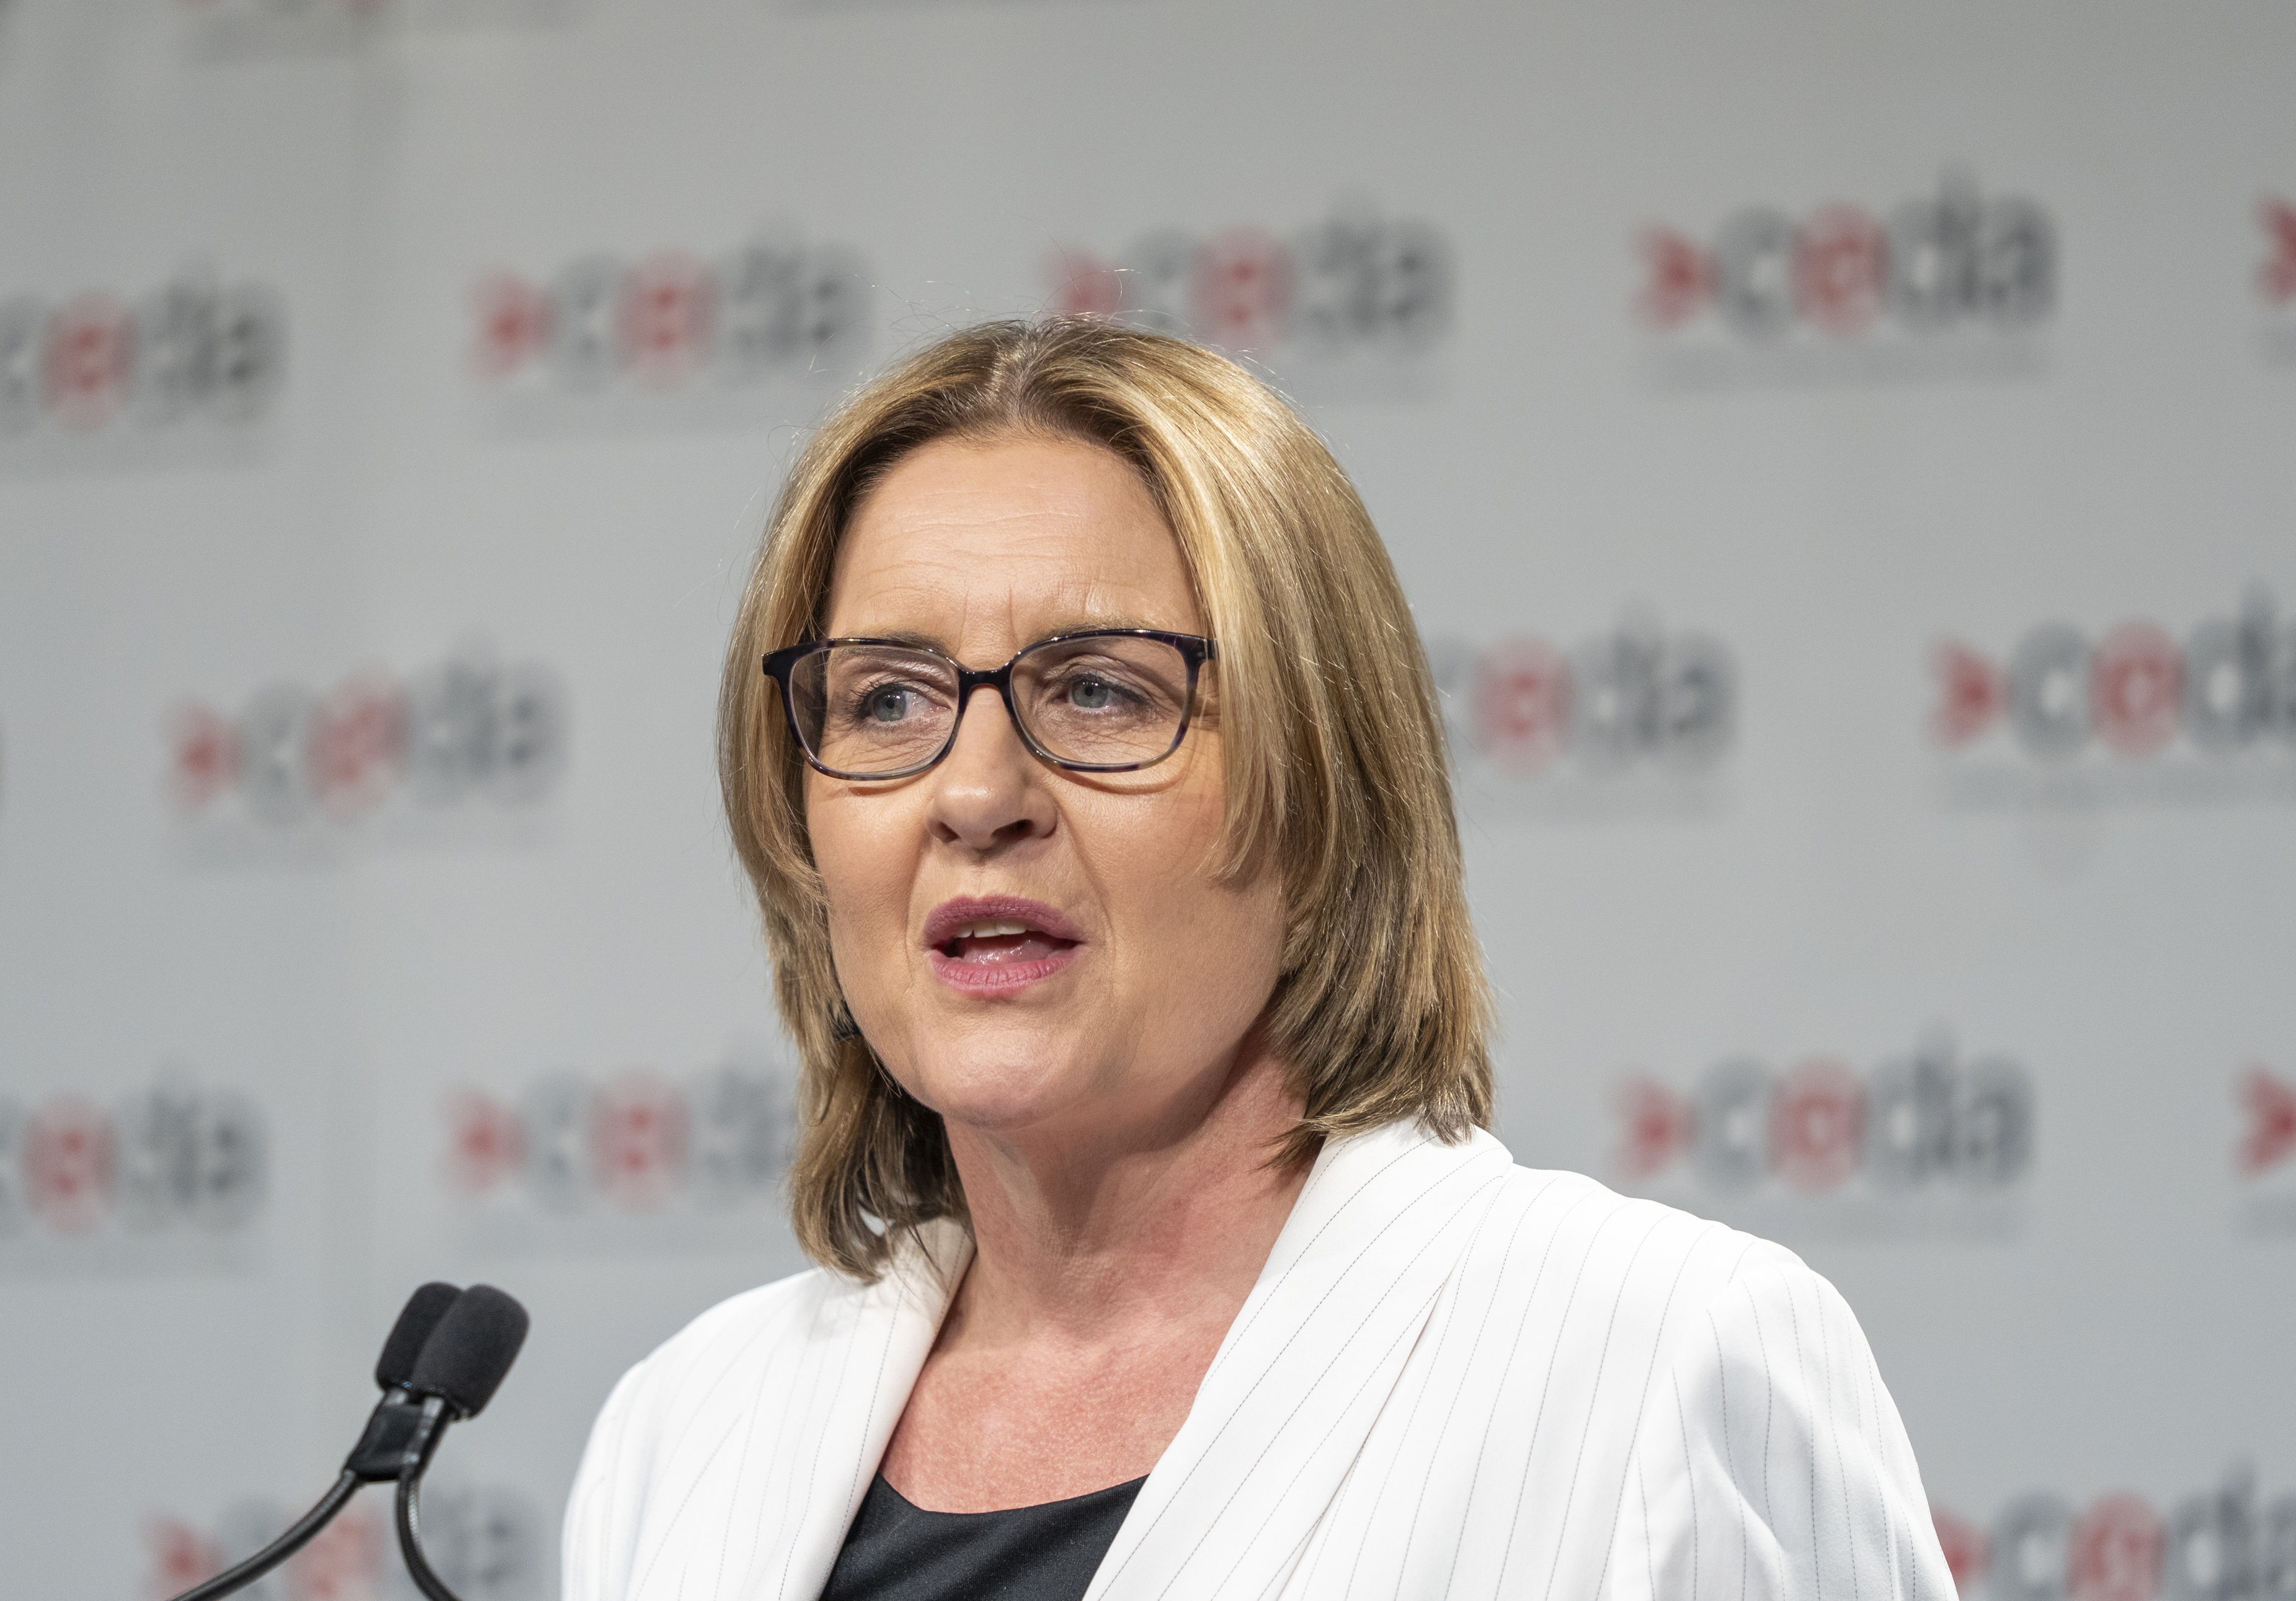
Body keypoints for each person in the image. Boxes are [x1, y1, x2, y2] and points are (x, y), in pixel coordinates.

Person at [561, 319, 1952, 1601]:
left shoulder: (1663, 1362)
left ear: (1324, 782)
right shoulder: (684, 1433)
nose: (976, 791)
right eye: (887, 699)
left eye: (1100, 689)